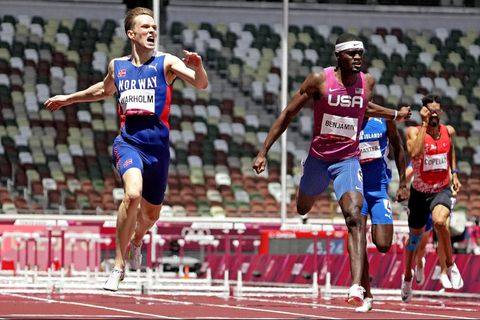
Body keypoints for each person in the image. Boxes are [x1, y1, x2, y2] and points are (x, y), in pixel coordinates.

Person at [44, 7, 208, 291]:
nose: (152, 31)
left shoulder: (166, 62)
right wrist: (68, 99)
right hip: (128, 143)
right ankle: (118, 267)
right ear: (131, 33)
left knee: (151, 216)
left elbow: (201, 83)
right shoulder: (117, 66)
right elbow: (103, 91)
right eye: (145, 27)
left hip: (158, 150)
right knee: (131, 195)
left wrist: (198, 65)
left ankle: (135, 241)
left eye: (154, 27)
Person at [252, 33, 411, 307]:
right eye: (351, 53)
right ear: (338, 56)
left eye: (360, 52)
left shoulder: (367, 82)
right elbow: (288, 114)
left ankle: (356, 287)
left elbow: (365, 106)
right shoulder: (319, 80)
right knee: (303, 208)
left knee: (354, 217)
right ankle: (307, 183)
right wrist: (264, 150)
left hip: (348, 160)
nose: (357, 57)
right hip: (318, 158)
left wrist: (394, 115)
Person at [401, 94, 463, 303]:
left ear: (441, 112)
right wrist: (425, 124)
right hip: (419, 193)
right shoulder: (413, 132)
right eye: (430, 111)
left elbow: (451, 150)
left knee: (439, 222)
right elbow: (416, 154)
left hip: (441, 189)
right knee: (414, 239)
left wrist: (454, 172)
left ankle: (450, 265)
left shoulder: (449, 131)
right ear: (424, 113)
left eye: (437, 110)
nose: (435, 114)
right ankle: (407, 277)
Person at [354, 115, 409, 312]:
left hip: (379, 191)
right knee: (357, 241)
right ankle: (367, 295)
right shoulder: (348, 119)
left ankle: (372, 227)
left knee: (384, 244)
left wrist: (403, 183)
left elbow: (399, 148)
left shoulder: (385, 121)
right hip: (356, 191)